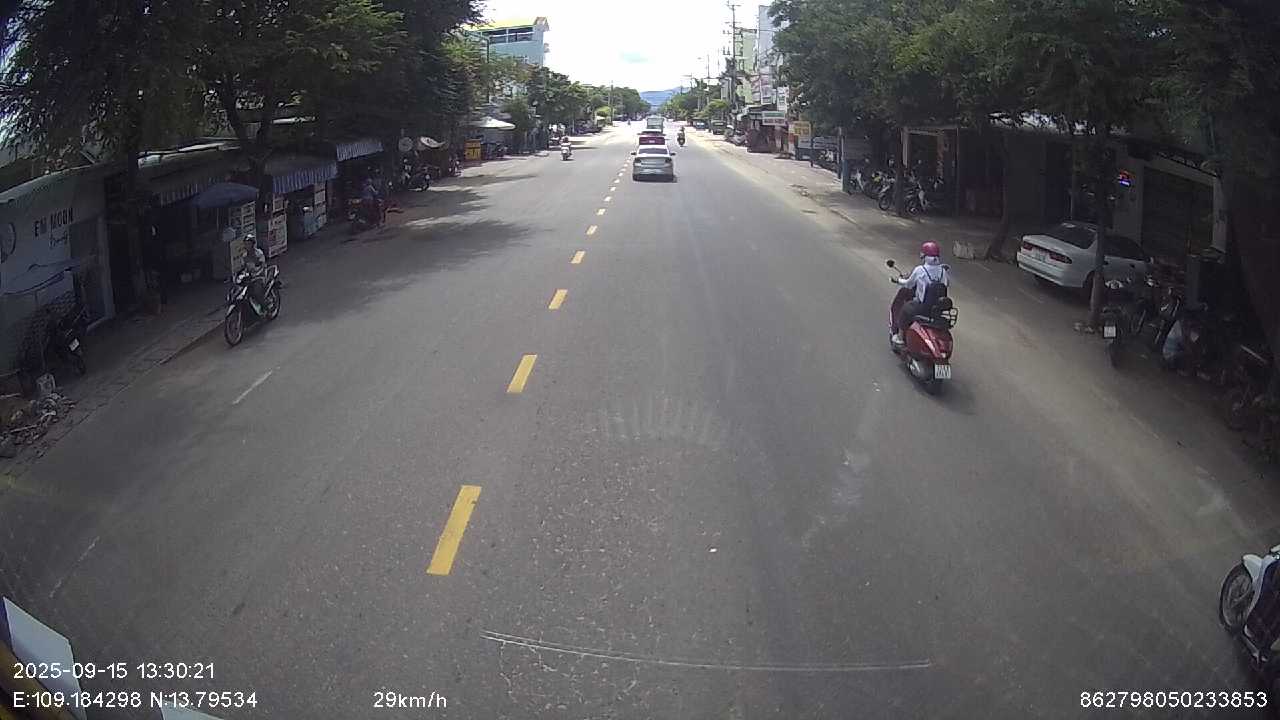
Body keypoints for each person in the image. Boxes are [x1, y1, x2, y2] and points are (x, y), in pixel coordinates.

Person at [891, 241, 950, 345]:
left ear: (925, 256)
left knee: (905, 309)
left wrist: (898, 280)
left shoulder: (920, 270)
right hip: (937, 309)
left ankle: (900, 338)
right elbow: (946, 284)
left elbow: (909, 284)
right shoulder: (943, 271)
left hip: (922, 307)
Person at [241, 233, 268, 313]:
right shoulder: (244, 256)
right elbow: (243, 268)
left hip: (259, 276)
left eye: (248, 244)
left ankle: (264, 308)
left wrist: (257, 273)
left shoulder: (259, 253)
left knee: (257, 292)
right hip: (249, 278)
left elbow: (263, 266)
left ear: (252, 244)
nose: (247, 246)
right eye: (246, 244)